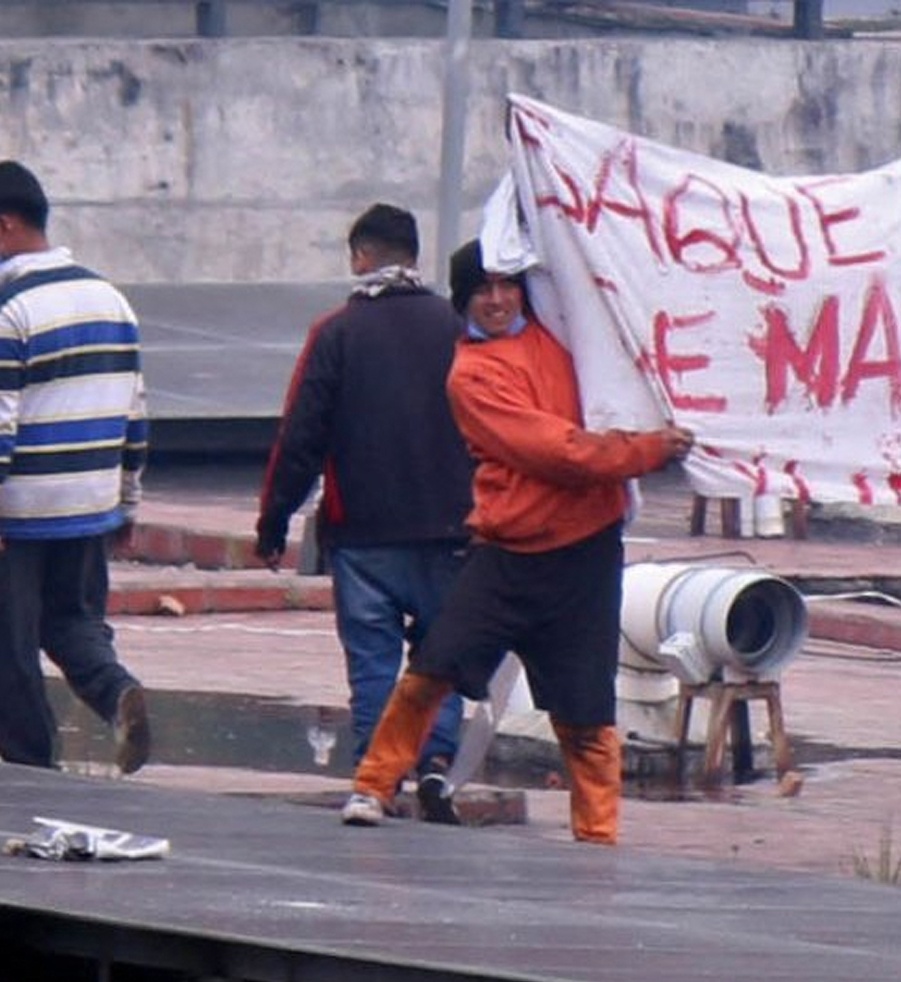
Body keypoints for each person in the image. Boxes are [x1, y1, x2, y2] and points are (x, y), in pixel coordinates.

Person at [339, 239, 694, 844]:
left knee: (587, 712)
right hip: (508, 555)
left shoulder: (566, 340)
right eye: (483, 290)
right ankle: (373, 786)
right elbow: (557, 451)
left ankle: (598, 836)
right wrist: (647, 451)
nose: (498, 299)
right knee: (432, 671)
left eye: (507, 285)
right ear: (464, 301)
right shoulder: (472, 375)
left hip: (586, 554)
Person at [256, 204, 474, 822]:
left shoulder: (337, 333)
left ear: (360, 256)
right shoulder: (457, 328)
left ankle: (378, 778)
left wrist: (273, 523)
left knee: (373, 659)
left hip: (363, 533)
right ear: (414, 255)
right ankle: (436, 763)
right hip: (451, 526)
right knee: (439, 655)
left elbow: (300, 436)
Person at [0, 160, 152, 775]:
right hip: (89, 503)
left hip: (18, 515)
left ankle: (33, 769)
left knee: (5, 649)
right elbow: (135, 413)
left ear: (4, 226)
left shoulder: (4, 311)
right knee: (74, 622)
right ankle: (118, 693)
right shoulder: (111, 299)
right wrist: (127, 501)